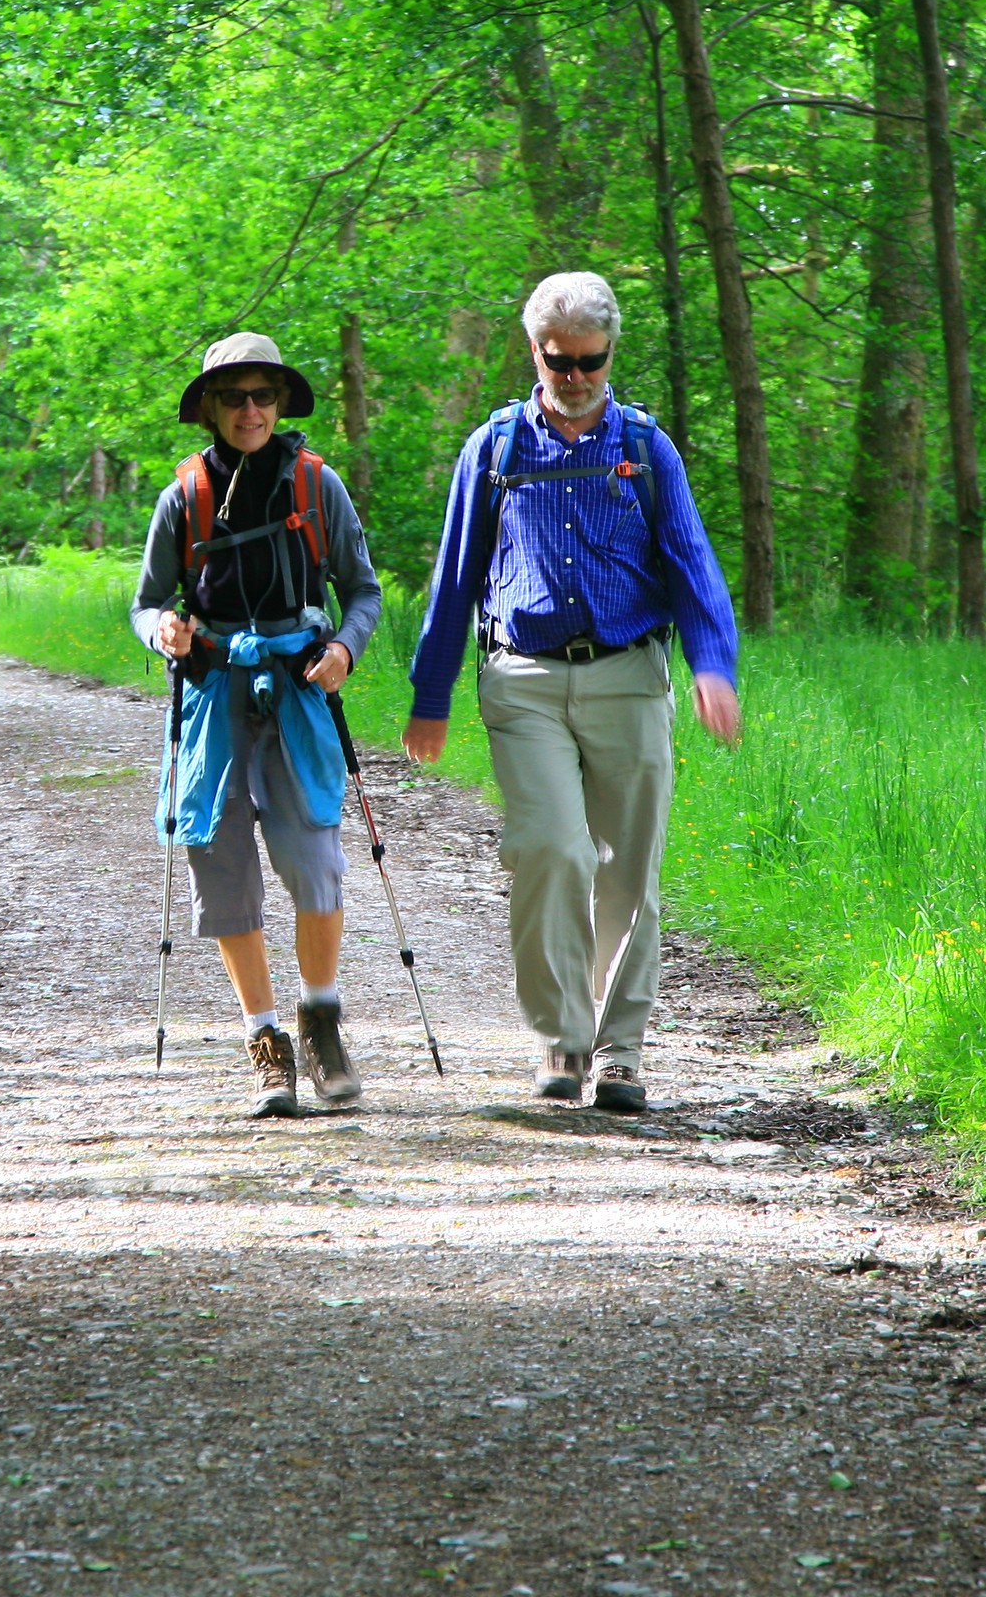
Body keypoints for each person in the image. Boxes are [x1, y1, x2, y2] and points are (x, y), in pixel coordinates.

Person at [402, 272, 742, 1112]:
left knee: (628, 870)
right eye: (562, 362)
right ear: (535, 353)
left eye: (592, 361)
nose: (578, 377)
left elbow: (692, 564)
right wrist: (431, 693)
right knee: (549, 849)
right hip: (521, 677)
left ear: (610, 353)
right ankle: (561, 1038)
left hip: (628, 676)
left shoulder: (645, 447)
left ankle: (619, 1053)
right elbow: (454, 578)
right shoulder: (496, 450)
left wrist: (713, 665)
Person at [131, 332, 386, 1118]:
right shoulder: (184, 496)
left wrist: (345, 647)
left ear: (280, 403)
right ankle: (266, 1042)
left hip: (298, 695)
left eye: (263, 396)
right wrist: (162, 634)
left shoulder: (317, 487)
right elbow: (146, 602)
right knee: (220, 863)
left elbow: (364, 592)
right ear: (209, 407)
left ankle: (321, 1020)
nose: (250, 410)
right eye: (234, 396)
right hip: (213, 699)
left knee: (316, 863)